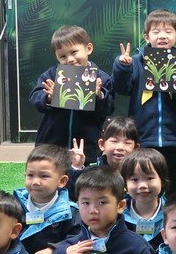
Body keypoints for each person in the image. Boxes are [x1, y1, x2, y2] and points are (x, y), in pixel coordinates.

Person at [113, 9, 176, 192]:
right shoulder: (135, 62)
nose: (162, 36)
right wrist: (122, 66)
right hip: (143, 137)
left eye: (168, 31)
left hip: (173, 138)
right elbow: (122, 88)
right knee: (143, 182)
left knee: (175, 183)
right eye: (156, 32)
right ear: (147, 37)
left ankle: (173, 209)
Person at [30, 25, 114, 164]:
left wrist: (99, 96)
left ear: (88, 49)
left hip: (87, 144)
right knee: (51, 172)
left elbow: (109, 108)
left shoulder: (101, 78)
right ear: (57, 57)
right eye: (63, 56)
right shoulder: (52, 75)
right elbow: (35, 98)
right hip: (52, 142)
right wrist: (49, 97)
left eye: (74, 52)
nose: (69, 59)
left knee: (85, 174)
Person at [14, 144, 78, 254]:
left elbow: (77, 238)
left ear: (62, 181)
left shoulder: (70, 213)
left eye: (44, 176)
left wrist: (54, 248)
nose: (35, 182)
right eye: (30, 175)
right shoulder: (13, 205)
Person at [67, 116, 139, 200]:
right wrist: (76, 167)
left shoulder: (139, 173)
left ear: (136, 148)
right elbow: (73, 196)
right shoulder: (92, 171)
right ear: (101, 144)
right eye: (114, 141)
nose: (120, 147)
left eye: (127, 143)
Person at [120, 149, 169, 252]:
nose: (142, 185)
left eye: (149, 178)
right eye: (135, 179)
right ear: (125, 184)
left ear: (162, 181)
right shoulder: (117, 216)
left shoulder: (173, 214)